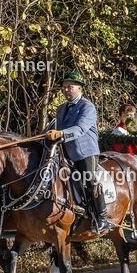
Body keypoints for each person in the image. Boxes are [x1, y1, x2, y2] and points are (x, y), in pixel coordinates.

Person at [45, 71, 117, 233]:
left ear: (79, 88)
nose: (65, 90)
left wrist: (61, 134)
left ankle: (102, 218)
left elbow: (80, 129)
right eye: (64, 87)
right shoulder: (61, 108)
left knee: (89, 179)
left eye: (69, 87)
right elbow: (57, 129)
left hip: (85, 152)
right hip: (64, 152)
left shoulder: (87, 107)